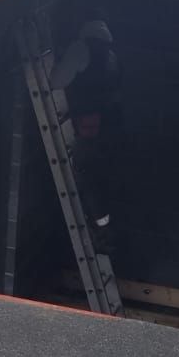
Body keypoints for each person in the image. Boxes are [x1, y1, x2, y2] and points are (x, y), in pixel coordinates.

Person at [50, 16, 122, 255]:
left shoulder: (81, 49)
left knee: (85, 175)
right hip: (105, 126)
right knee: (97, 177)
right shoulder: (110, 56)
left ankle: (101, 235)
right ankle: (105, 231)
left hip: (85, 124)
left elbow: (57, 81)